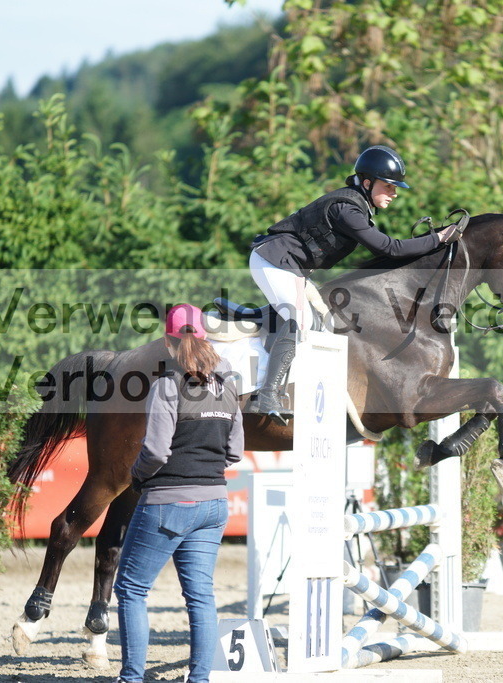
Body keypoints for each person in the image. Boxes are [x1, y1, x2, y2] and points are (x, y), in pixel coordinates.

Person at [248, 144, 457, 424]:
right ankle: (266, 395)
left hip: (293, 268)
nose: (394, 193)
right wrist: (438, 239)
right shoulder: (347, 210)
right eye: (388, 186)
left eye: (395, 187)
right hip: (272, 260)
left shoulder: (357, 206)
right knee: (300, 321)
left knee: (321, 323)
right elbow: (389, 248)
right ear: (367, 183)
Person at [114, 304, 243, 683]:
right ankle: (199, 679)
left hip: (169, 501)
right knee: (200, 595)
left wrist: (137, 476)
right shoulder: (228, 384)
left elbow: (156, 451)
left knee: (131, 589)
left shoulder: (167, 385)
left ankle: (131, 678)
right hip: (214, 503)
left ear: (168, 343)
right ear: (205, 338)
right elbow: (235, 450)